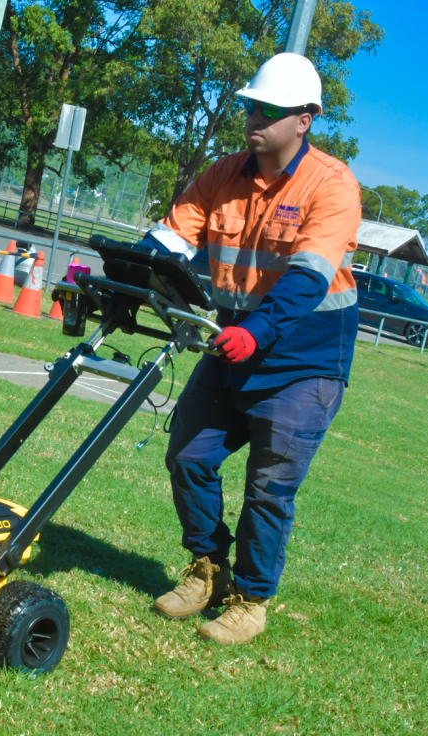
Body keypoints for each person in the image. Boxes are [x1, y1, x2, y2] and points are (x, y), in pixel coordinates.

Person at [143, 53, 361, 644]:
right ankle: (207, 569)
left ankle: (251, 601)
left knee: (269, 486)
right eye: (250, 105)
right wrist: (126, 268)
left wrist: (257, 332)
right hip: (233, 340)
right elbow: (171, 235)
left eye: (269, 108)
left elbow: (308, 277)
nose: (254, 116)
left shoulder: (333, 185)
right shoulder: (223, 174)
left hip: (304, 358)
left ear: (304, 120)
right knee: (189, 453)